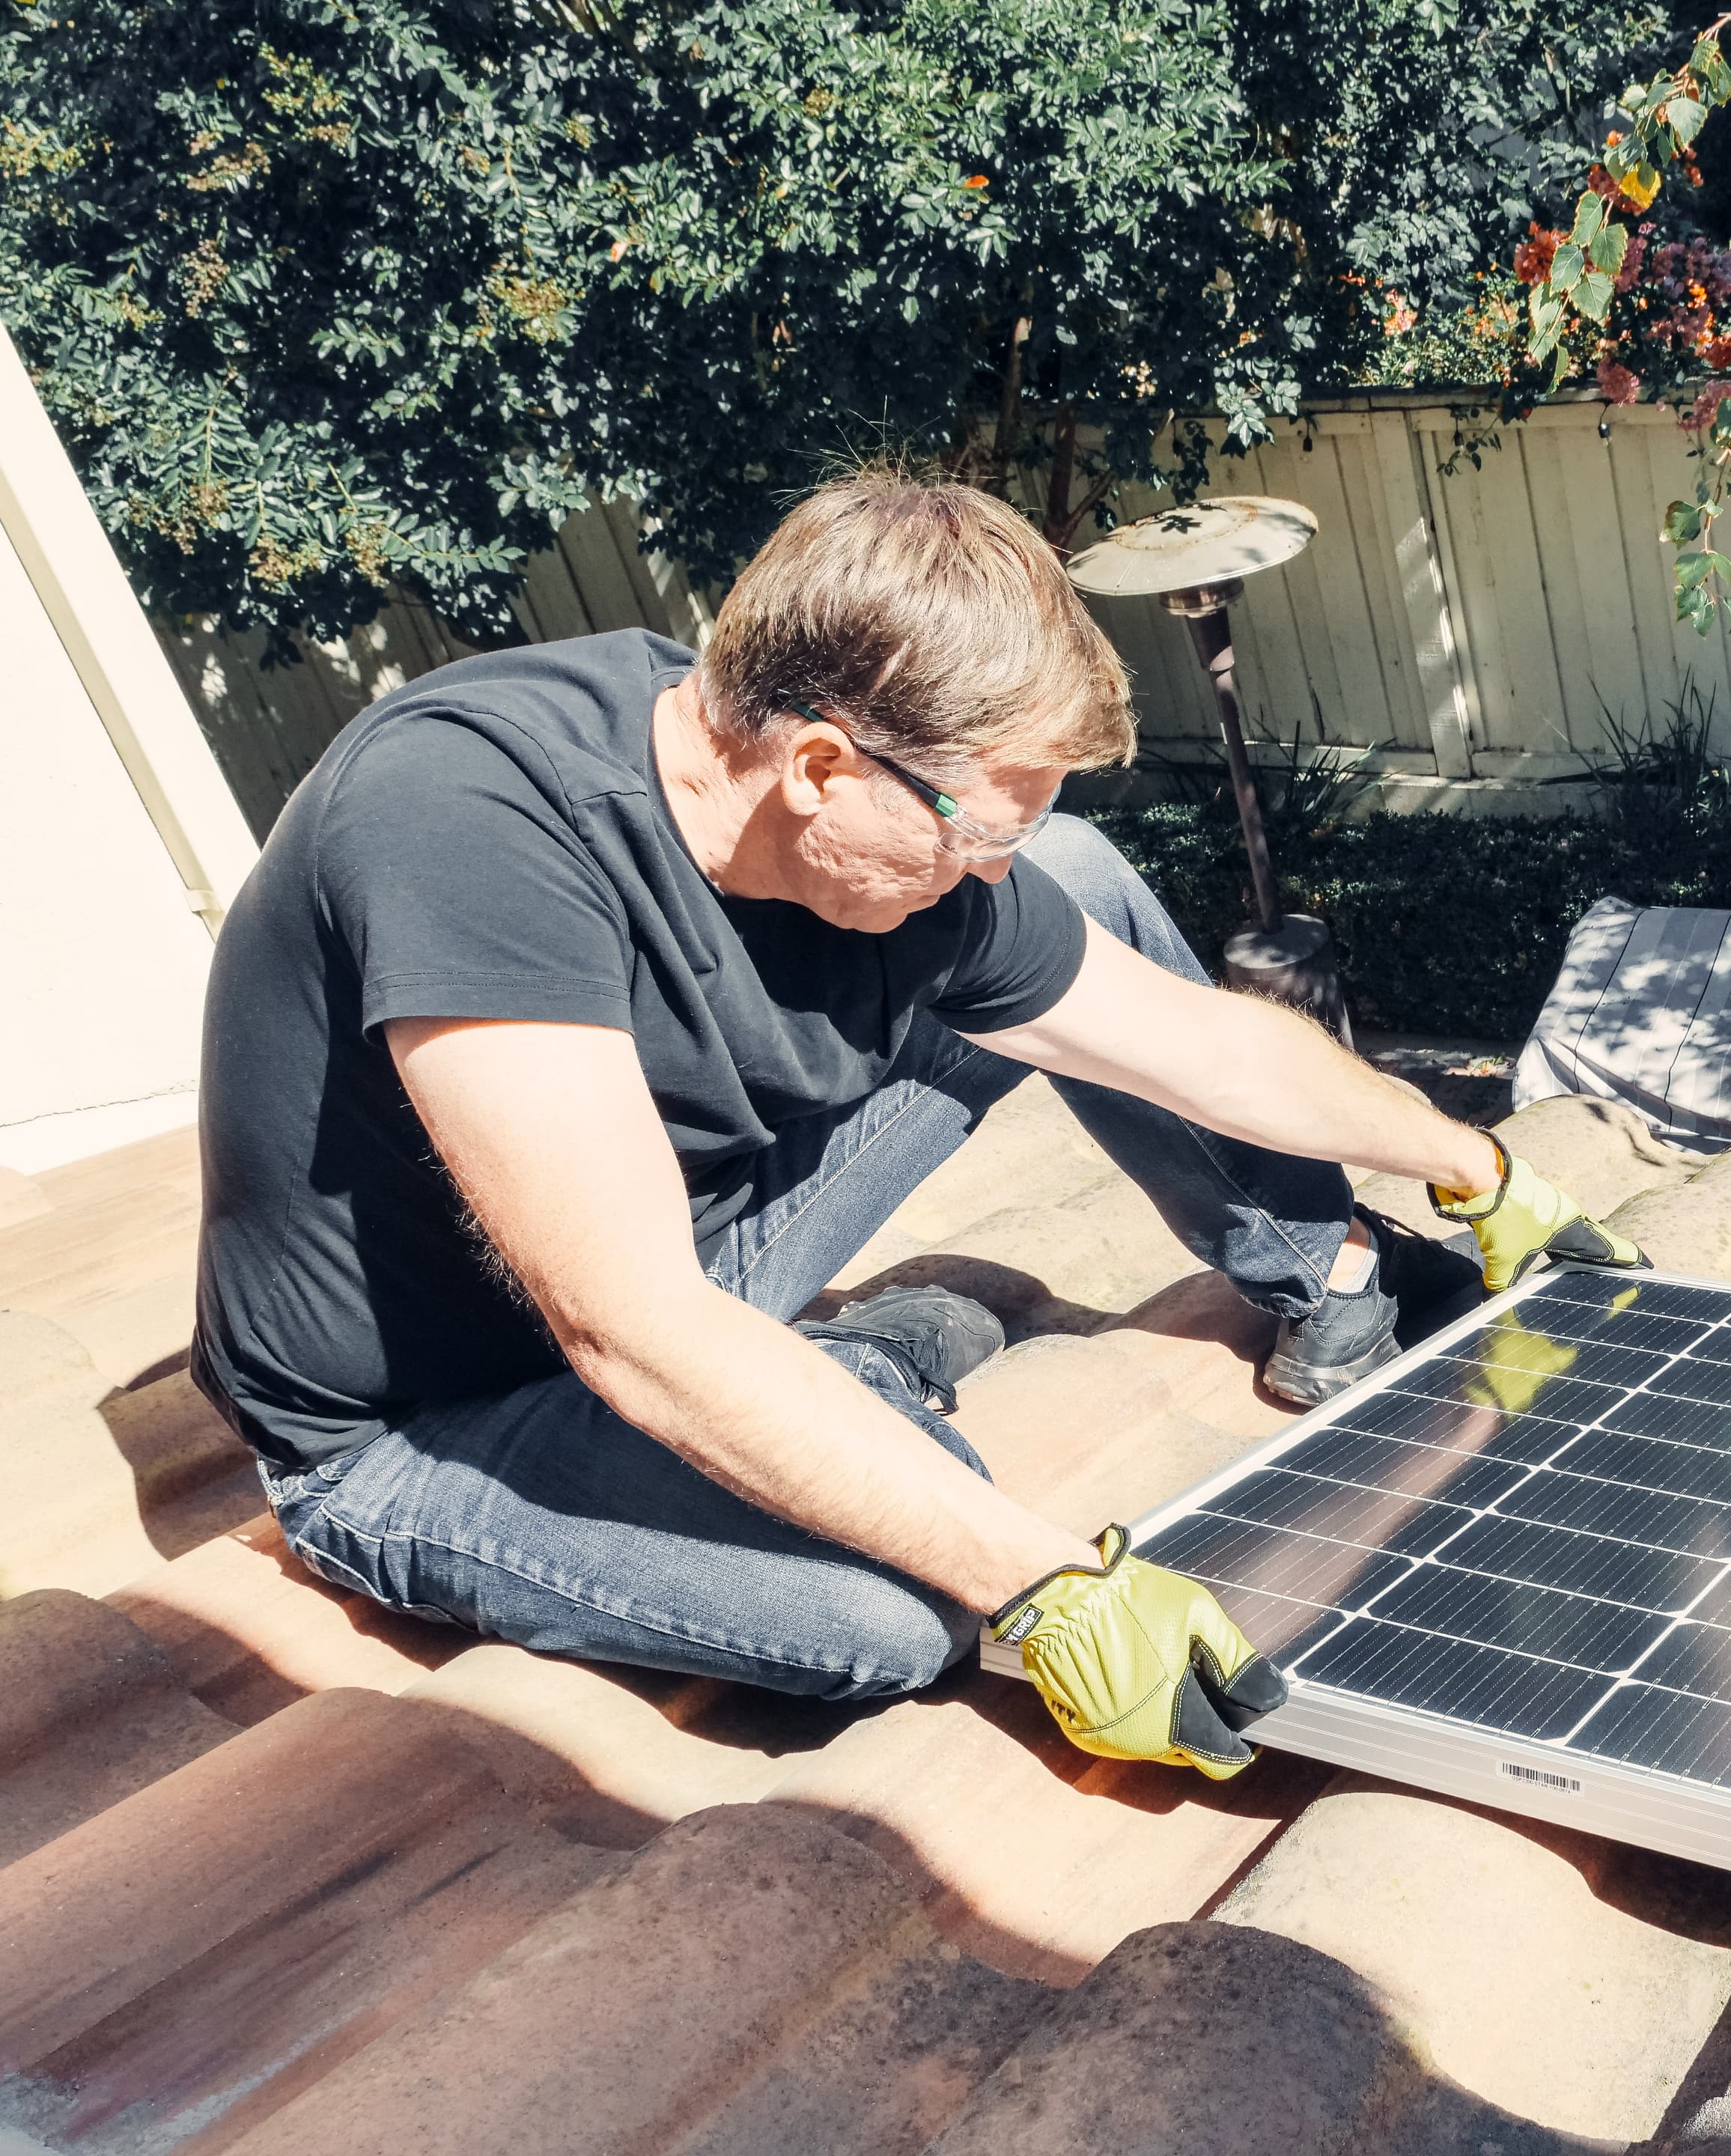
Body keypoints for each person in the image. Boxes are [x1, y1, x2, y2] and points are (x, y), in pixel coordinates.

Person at [191, 472, 1642, 1777]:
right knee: (901, 1606)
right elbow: (627, 1326)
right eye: (978, 827)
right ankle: (832, 1385)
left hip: (691, 1247)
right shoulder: (474, 825)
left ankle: (1331, 1287)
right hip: (427, 1417)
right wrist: (1051, 1580)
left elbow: (1197, 1045)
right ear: (821, 767)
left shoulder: (910, 858)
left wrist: (1475, 1163)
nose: (986, 872)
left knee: (1078, 881)